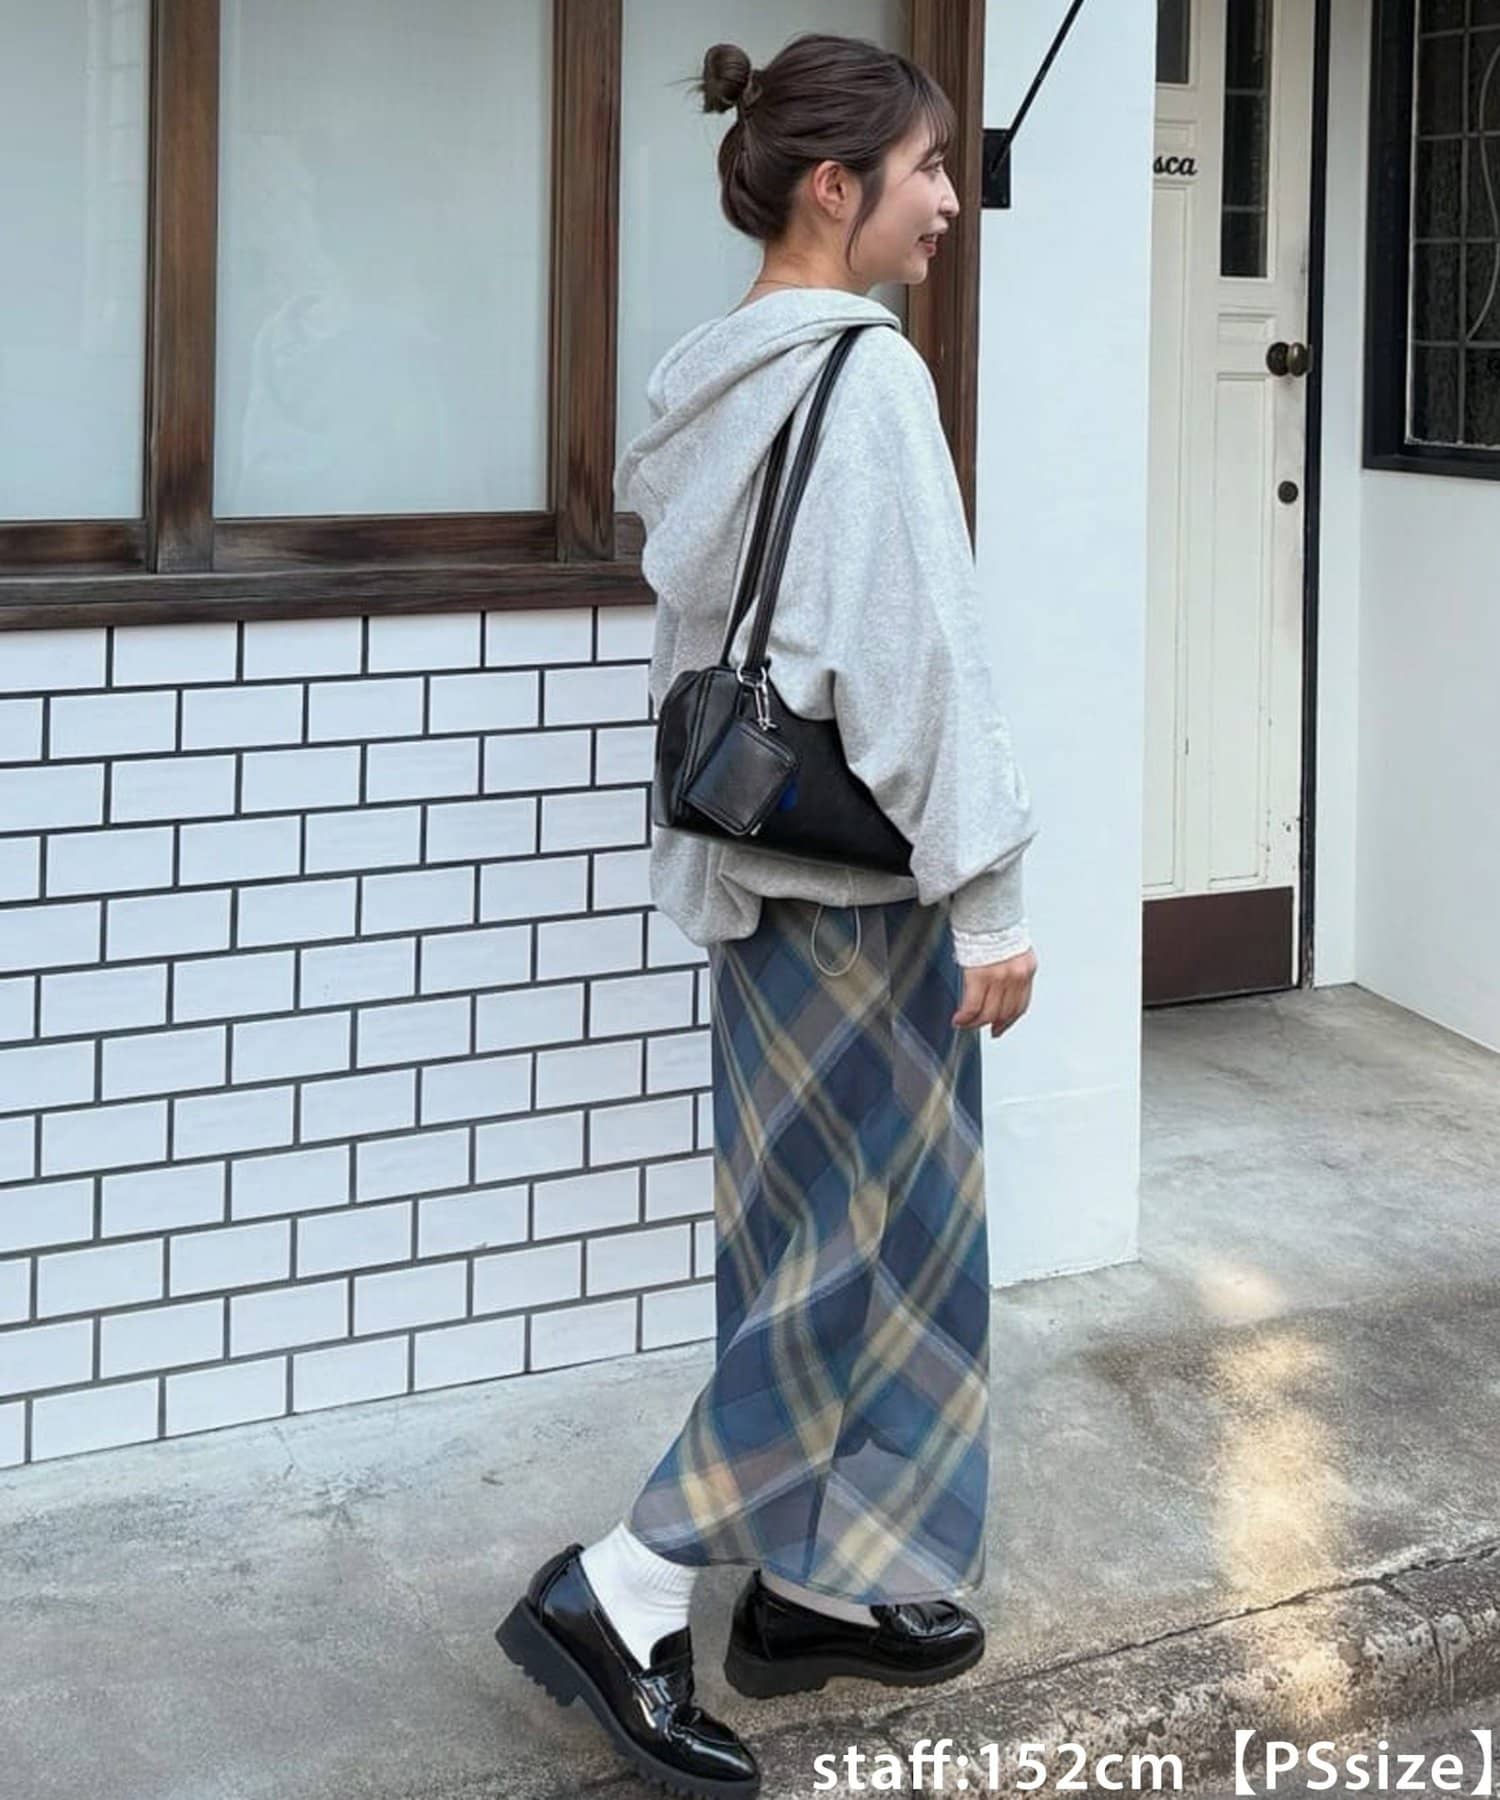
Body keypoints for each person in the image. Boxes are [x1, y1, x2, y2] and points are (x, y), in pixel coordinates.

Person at [496, 31, 1039, 1799]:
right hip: (868, 903)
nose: (949, 202)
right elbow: (920, 664)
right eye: (928, 170)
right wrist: (992, 898)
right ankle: (626, 1587)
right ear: (834, 185)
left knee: (825, 1244)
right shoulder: (863, 378)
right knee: (855, 1266)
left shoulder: (711, 376)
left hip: (762, 889)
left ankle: (817, 1584)